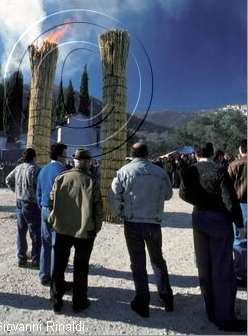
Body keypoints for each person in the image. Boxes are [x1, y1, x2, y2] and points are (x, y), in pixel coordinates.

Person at [179, 142, 246, 332]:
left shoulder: (190, 170)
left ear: (197, 154)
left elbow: (183, 194)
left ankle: (211, 311)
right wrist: (239, 224)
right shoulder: (218, 171)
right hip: (218, 220)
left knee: (205, 267)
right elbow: (229, 201)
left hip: (198, 217)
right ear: (212, 153)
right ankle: (225, 318)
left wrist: (200, 202)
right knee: (222, 269)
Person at [109, 142, 174, 318]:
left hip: (132, 222)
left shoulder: (124, 171)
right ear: (147, 153)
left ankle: (142, 302)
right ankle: (167, 298)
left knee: (137, 263)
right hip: (153, 222)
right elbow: (168, 195)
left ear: (132, 153)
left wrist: (119, 213)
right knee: (157, 260)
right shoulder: (160, 172)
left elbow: (114, 195)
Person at [48, 148, 103, 313]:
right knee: (81, 267)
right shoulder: (91, 181)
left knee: (58, 266)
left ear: (74, 161)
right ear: (86, 162)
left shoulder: (60, 178)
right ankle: (79, 302)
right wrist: (96, 227)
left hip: (62, 229)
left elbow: (51, 202)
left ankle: (55, 302)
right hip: (84, 231)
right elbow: (98, 209)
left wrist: (54, 221)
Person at [36, 142, 68, 286]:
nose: (66, 157)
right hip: (57, 211)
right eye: (65, 153)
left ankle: (43, 275)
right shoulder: (63, 171)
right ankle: (56, 278)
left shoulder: (43, 170)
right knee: (57, 246)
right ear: (60, 154)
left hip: (43, 209)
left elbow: (38, 192)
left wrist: (42, 206)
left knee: (46, 243)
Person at [6, 148, 41, 268]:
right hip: (31, 202)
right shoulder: (35, 169)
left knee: (21, 232)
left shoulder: (18, 167)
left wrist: (15, 191)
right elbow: (39, 187)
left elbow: (8, 180)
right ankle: (36, 259)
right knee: (35, 232)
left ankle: (21, 259)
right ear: (34, 157)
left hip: (19, 201)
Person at [228, 139, 247, 239]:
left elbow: (227, 187)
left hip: (239, 204)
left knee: (240, 237)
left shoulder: (234, 165)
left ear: (241, 150)